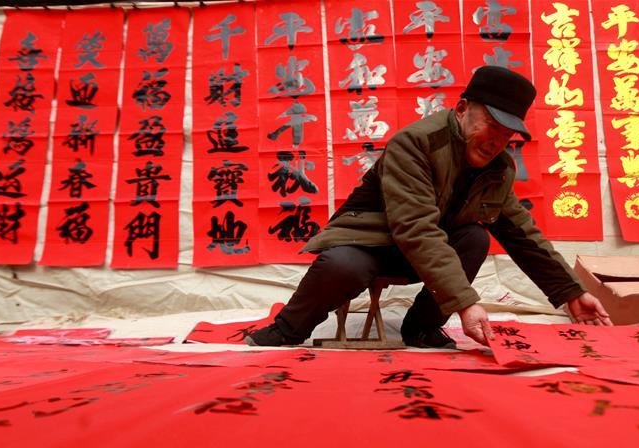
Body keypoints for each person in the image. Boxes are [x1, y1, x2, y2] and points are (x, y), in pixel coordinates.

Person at [247, 66, 611, 348]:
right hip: (372, 242)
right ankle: (288, 327)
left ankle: (421, 328)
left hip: (421, 253)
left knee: (474, 238)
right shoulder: (416, 143)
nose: (496, 142)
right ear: (462, 108)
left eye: (507, 135)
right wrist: (466, 303)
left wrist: (571, 293)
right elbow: (416, 227)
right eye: (491, 125)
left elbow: (521, 232)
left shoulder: (498, 168)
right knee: (343, 265)